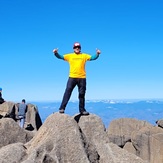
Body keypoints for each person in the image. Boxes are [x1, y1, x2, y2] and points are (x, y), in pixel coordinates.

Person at [53, 42, 101, 115]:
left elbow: (92, 58)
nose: (77, 48)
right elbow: (61, 57)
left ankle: (82, 110)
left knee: (81, 94)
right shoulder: (70, 56)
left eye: (78, 47)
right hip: (72, 77)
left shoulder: (84, 55)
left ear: (80, 48)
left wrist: (97, 54)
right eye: (76, 47)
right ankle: (62, 108)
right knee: (67, 92)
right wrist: (56, 53)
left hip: (82, 78)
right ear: (73, 48)